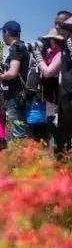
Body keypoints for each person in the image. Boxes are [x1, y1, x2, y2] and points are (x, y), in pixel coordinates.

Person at [0, 21, 30, 141]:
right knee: (20, 131)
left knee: (18, 133)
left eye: (3, 32)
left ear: (7, 32)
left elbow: (12, 73)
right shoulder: (23, 47)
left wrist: (0, 75)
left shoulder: (16, 48)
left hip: (15, 96)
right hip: (21, 95)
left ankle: (20, 158)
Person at [30, 28, 64, 147]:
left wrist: (38, 56)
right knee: (48, 128)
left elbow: (48, 72)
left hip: (56, 97)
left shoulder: (60, 53)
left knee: (54, 130)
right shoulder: (51, 53)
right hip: (49, 98)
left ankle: (57, 159)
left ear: (53, 40)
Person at [55, 12, 72, 156]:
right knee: (63, 132)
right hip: (64, 93)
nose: (56, 26)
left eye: (59, 22)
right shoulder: (65, 43)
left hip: (70, 92)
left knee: (67, 132)